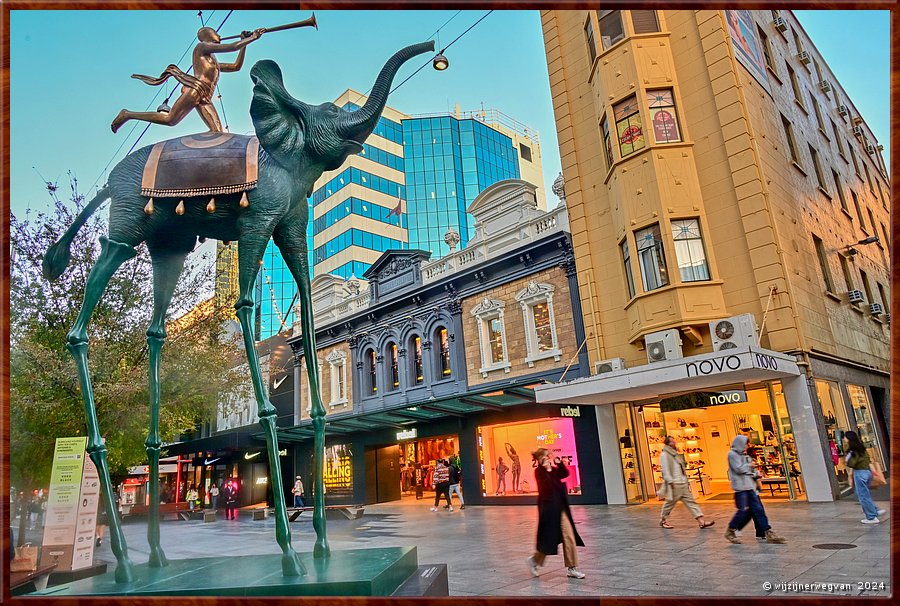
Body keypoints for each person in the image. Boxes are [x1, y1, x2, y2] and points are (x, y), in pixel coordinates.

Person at [110, 27, 265, 133]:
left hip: (205, 96)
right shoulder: (201, 48)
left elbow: (236, 66)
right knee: (170, 120)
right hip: (195, 89)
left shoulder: (214, 62)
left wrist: (244, 43)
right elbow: (233, 47)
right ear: (207, 36)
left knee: (218, 132)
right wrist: (252, 38)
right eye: (215, 33)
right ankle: (127, 114)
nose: (219, 36)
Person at [526, 448, 585, 579]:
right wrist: (547, 470)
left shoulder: (553, 469)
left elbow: (564, 473)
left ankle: (572, 567)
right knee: (548, 539)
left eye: (550, 455)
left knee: (569, 535)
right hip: (549, 511)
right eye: (547, 456)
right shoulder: (539, 472)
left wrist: (559, 463)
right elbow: (545, 488)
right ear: (541, 458)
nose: (549, 457)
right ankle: (534, 561)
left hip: (561, 508)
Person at [724, 435, 786, 544]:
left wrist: (756, 473)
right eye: (745, 444)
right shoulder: (732, 455)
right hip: (741, 489)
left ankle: (767, 531)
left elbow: (747, 470)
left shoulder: (744, 455)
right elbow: (738, 469)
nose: (746, 446)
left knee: (759, 510)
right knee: (743, 511)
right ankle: (731, 530)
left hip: (750, 487)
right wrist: (750, 466)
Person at [658, 436, 714, 529]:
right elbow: (665, 469)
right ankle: (663, 520)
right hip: (675, 484)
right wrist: (671, 481)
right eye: (673, 441)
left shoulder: (675, 454)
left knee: (691, 502)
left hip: (682, 483)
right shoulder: (664, 455)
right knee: (670, 503)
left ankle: (701, 522)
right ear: (668, 444)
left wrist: (685, 480)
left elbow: (680, 468)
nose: (675, 443)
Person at [843, 430, 886, 524]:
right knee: (863, 494)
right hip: (866, 472)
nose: (844, 439)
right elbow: (868, 460)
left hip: (860, 473)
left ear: (849, 439)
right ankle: (875, 510)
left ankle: (871, 517)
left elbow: (852, 463)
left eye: (845, 437)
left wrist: (847, 461)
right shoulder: (861, 448)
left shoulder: (853, 450)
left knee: (862, 496)